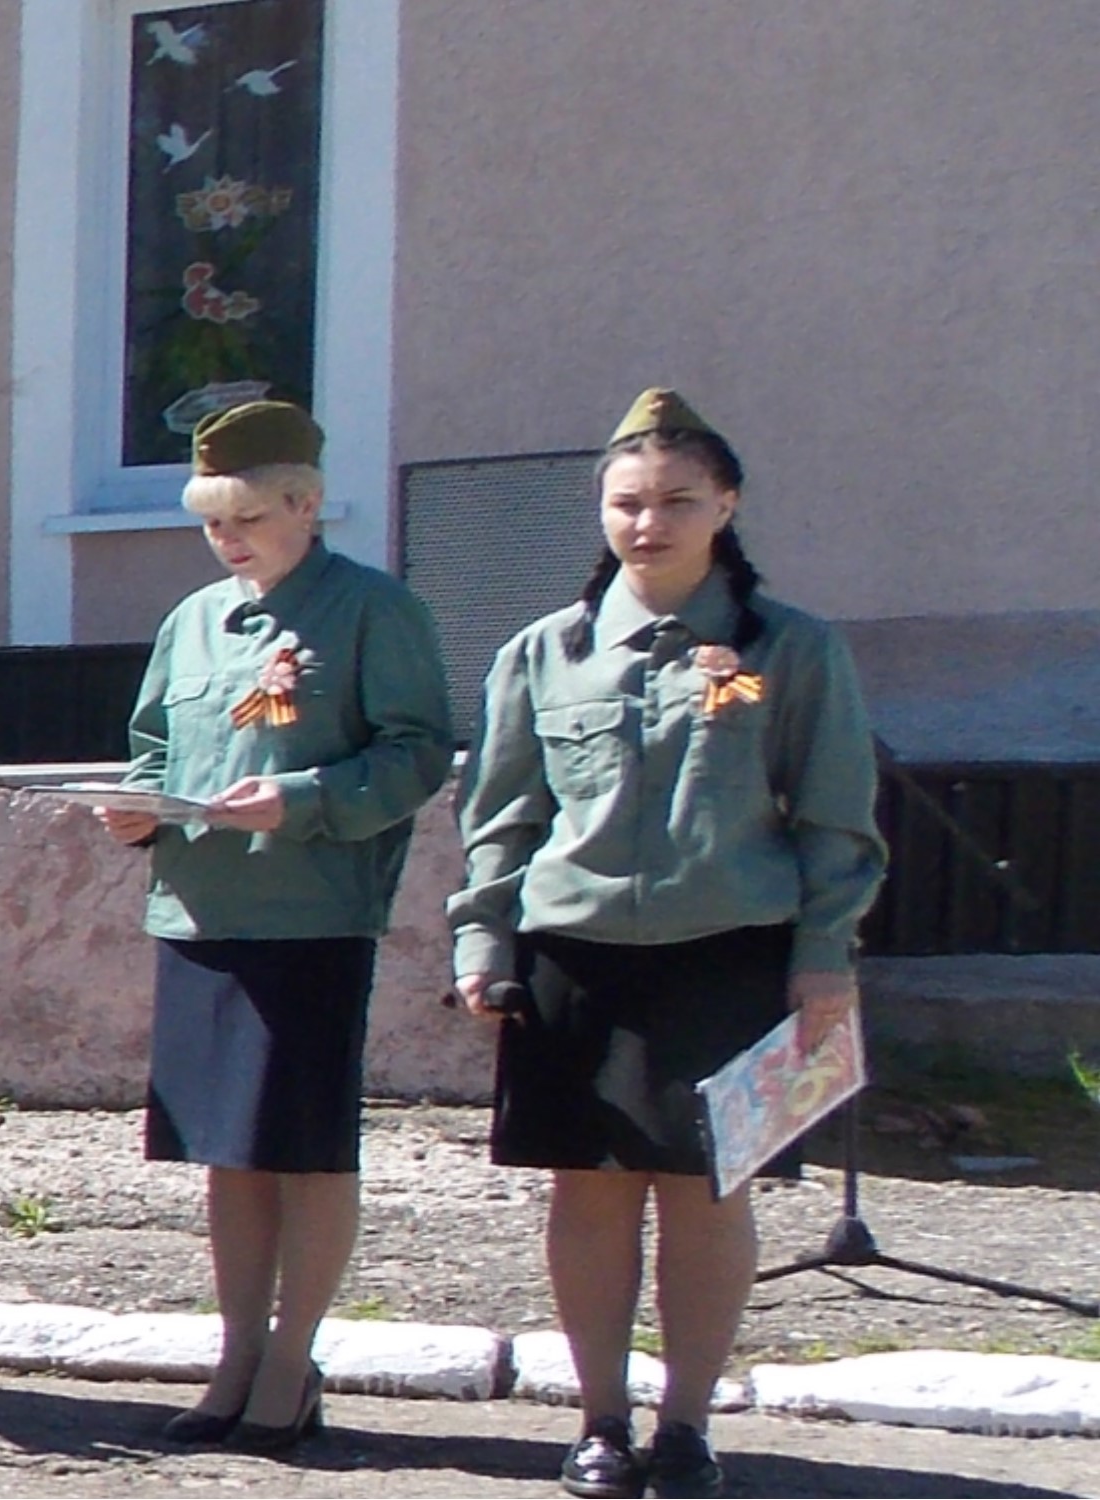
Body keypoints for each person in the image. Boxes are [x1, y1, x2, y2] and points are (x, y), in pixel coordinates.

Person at [447, 388, 887, 1497]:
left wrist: (824, 955)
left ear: (726, 505)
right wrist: (482, 946)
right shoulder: (545, 653)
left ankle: (687, 1425)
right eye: (628, 504)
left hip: (728, 950)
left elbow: (835, 817)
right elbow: (502, 819)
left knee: (707, 1193)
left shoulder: (792, 648)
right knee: (587, 1194)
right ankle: (600, 1420)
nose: (649, 524)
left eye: (678, 501)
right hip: (575, 955)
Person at [98, 400, 455, 1452]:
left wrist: (303, 801)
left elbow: (415, 754)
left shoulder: (373, 610)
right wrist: (136, 805)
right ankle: (238, 1353)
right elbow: (154, 745)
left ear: (307, 502)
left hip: (310, 914)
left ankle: (293, 1360)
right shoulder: (194, 621)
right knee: (229, 1151)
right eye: (213, 523)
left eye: (248, 518)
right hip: (203, 911)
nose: (229, 540)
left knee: (305, 1149)